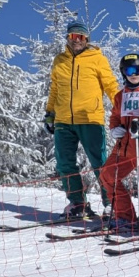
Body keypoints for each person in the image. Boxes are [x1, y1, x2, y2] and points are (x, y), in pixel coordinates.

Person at [43, 21, 119, 219]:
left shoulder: (97, 59)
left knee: (99, 162)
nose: (76, 40)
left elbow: (110, 85)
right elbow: (55, 88)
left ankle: (111, 203)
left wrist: (122, 107)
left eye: (81, 37)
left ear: (87, 39)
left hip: (90, 119)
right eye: (73, 36)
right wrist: (50, 112)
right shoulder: (59, 60)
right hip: (63, 119)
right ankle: (78, 203)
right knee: (64, 163)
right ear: (67, 38)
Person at [98, 53, 139, 236]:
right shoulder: (120, 95)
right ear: (123, 73)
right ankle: (126, 218)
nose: (133, 74)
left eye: (137, 70)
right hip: (125, 147)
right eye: (128, 70)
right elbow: (115, 116)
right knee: (108, 175)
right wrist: (114, 128)